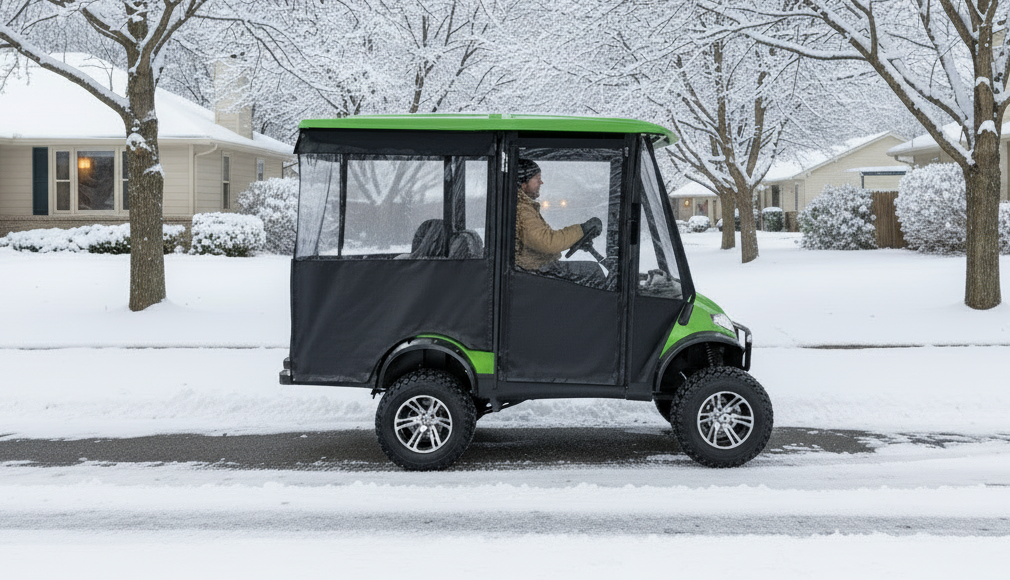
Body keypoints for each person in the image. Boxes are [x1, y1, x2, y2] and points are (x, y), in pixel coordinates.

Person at [514, 159, 605, 283]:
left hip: (536, 269)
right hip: (534, 272)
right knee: (592, 271)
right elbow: (548, 242)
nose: (541, 182)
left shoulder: (522, 207)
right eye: (537, 178)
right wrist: (582, 230)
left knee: (590, 269)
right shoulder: (521, 210)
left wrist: (576, 238)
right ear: (523, 183)